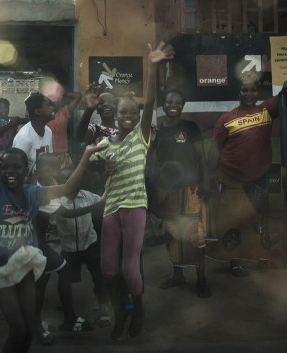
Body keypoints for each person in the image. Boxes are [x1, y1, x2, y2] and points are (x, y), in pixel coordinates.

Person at [0, 110, 107, 353]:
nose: (11, 171)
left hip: (26, 267)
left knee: (27, 332)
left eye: (16, 167)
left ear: (26, 169)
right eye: (6, 167)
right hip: (1, 269)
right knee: (18, 329)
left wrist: (86, 155)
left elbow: (68, 186)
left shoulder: (33, 193)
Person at [93, 42, 174, 341]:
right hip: (111, 207)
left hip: (135, 206)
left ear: (138, 116)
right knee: (108, 269)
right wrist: (104, 169)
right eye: (122, 112)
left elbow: (149, 102)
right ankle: (121, 313)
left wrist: (152, 65)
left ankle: (137, 310)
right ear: (115, 116)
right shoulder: (106, 143)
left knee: (130, 268)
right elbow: (93, 171)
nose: (127, 115)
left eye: (132, 112)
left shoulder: (141, 136)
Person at [207, 76, 287, 277]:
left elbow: (284, 95)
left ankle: (260, 258)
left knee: (259, 221)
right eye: (244, 90)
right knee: (234, 222)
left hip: (259, 177)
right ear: (238, 92)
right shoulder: (226, 118)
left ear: (258, 93)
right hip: (230, 177)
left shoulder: (266, 111)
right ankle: (235, 263)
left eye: (253, 90)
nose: (248, 94)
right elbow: (215, 149)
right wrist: (210, 175)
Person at [149, 88, 211, 298]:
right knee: (172, 233)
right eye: (169, 102)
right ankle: (177, 275)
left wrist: (206, 182)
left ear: (182, 106)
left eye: (178, 103)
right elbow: (149, 155)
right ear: (163, 104)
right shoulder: (158, 130)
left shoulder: (190, 127)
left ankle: (201, 278)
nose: (173, 106)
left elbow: (201, 157)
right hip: (167, 190)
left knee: (196, 234)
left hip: (191, 189)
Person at [34, 154, 92, 346]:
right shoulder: (39, 192)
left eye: (56, 169)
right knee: (53, 274)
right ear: (37, 171)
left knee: (45, 278)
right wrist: (96, 206)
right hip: (31, 244)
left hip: (38, 243)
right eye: (48, 169)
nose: (53, 173)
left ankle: (62, 318)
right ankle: (47, 322)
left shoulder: (47, 188)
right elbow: (66, 213)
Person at [52, 166, 111, 327]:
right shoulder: (56, 201)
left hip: (90, 243)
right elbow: (63, 214)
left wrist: (108, 184)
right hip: (68, 248)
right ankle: (67, 306)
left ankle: (103, 306)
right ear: (61, 183)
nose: (74, 185)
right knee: (66, 279)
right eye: (69, 182)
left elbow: (102, 201)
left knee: (98, 275)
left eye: (77, 181)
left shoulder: (87, 196)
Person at [12, 92, 55, 180]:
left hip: (43, 182)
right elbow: (15, 170)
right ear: (38, 111)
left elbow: (49, 160)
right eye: (48, 106)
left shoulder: (48, 131)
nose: (52, 108)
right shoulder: (24, 137)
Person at [45, 88, 82, 168]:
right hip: (47, 155)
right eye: (52, 99)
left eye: (58, 99)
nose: (56, 101)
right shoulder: (44, 114)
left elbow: (78, 96)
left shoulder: (64, 111)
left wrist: (61, 92)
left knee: (66, 175)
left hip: (62, 154)